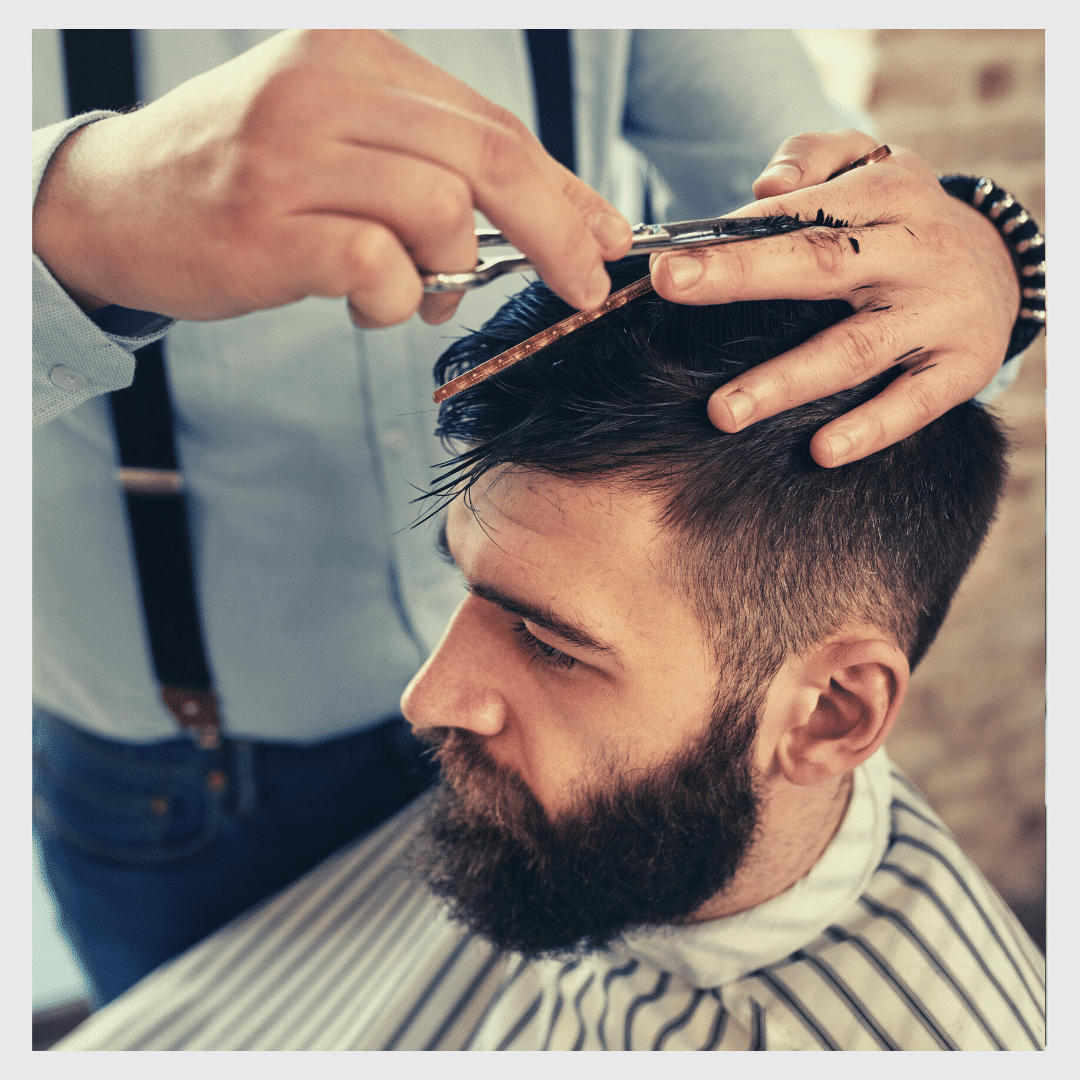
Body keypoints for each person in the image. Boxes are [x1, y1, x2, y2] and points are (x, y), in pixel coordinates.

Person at [33, 29, 1037, 1006]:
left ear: (829, 711)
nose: (419, 699)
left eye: (553, 643)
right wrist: (66, 219)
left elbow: (848, 250)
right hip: (170, 781)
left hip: (613, 738)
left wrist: (992, 252)